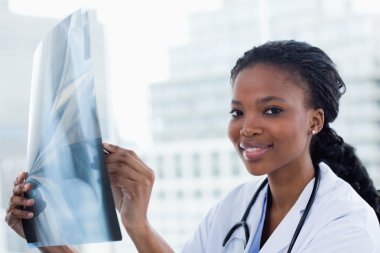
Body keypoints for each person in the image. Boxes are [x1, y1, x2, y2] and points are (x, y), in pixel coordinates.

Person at [5, 40, 380, 253]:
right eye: (237, 111)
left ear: (315, 120)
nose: (247, 128)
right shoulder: (237, 206)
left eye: (271, 109)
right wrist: (50, 237)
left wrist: (138, 227)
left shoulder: (348, 226)